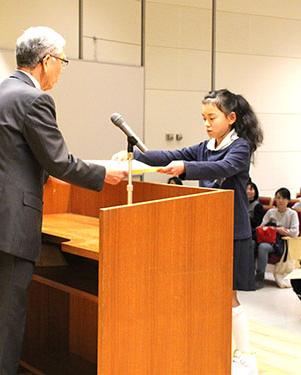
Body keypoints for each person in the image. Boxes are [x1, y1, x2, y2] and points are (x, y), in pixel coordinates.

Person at [0, 27, 127, 375]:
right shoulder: (34, 99)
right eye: (62, 60)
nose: (62, 69)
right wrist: (102, 174)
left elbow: (13, 156)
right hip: (6, 227)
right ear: (46, 61)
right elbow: (58, 161)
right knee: (1, 323)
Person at [113, 88, 263, 375]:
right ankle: (217, 351)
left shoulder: (241, 146)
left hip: (232, 230)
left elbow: (223, 166)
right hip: (207, 230)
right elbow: (171, 154)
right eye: (203, 118)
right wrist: (133, 155)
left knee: (228, 296)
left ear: (231, 118)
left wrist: (185, 168)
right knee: (209, 295)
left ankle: (245, 356)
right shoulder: (206, 145)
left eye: (212, 117)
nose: (207, 124)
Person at [255, 187, 299, 289]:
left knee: (263, 247)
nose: (280, 201)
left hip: (282, 242)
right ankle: (251, 275)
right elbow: (261, 227)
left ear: (288, 200)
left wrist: (283, 232)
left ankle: (259, 277)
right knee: (253, 244)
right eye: (278, 198)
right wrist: (275, 229)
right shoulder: (271, 212)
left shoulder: (292, 214)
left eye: (283, 198)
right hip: (269, 238)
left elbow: (295, 232)